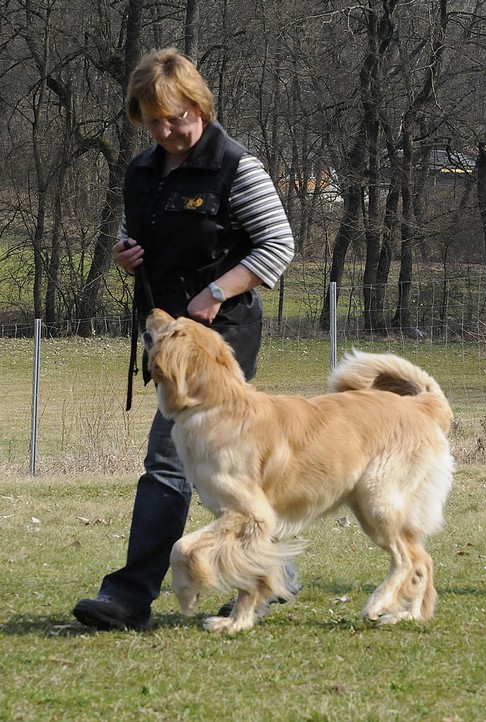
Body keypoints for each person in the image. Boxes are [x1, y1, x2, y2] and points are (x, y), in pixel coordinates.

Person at [73, 47, 299, 631]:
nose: (167, 130)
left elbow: (277, 244)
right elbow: (134, 231)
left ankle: (129, 595)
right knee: (217, 464)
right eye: (153, 120)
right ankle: (274, 575)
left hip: (217, 336)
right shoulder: (142, 172)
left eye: (176, 116)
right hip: (166, 332)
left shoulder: (235, 166)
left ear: (198, 104)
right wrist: (125, 253)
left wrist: (217, 293)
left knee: (171, 461)